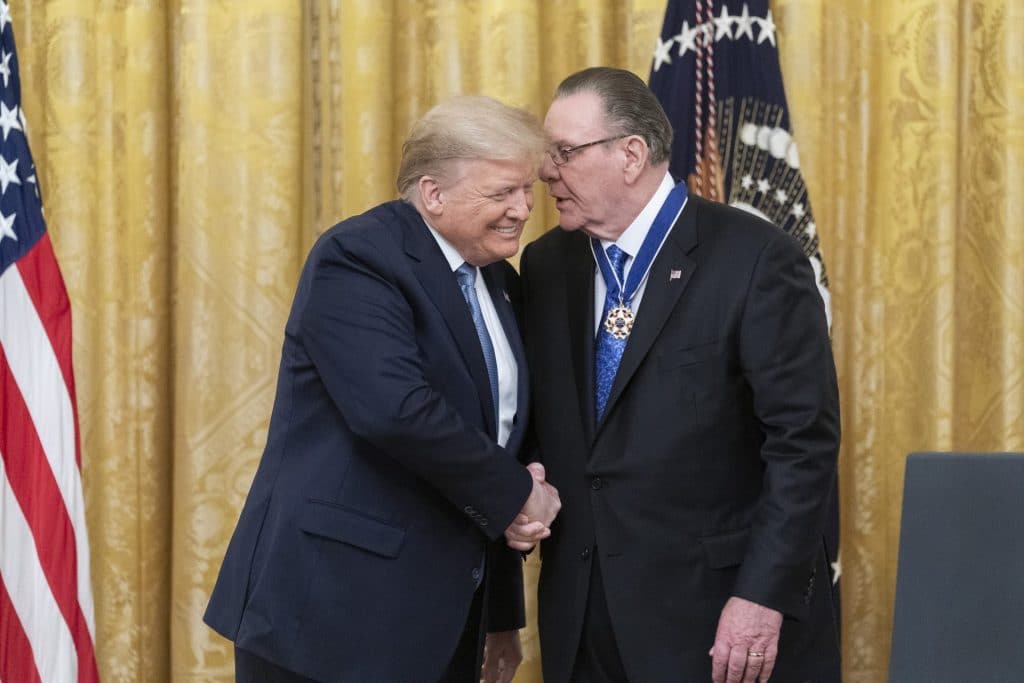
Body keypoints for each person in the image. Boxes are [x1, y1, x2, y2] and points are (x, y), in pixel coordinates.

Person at [204, 95, 560, 683]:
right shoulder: (358, 258)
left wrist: (501, 616)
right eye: (501, 193)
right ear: (433, 193)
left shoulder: (500, 281)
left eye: (528, 191)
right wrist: (518, 494)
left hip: (441, 621)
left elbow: (497, 440)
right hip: (332, 612)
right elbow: (396, 411)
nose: (523, 210)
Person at [520, 66, 841, 682]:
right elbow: (554, 427)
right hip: (584, 622)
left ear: (631, 155)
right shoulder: (546, 265)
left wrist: (761, 598)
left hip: (717, 620)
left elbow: (804, 445)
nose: (545, 172)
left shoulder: (755, 258)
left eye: (564, 152)